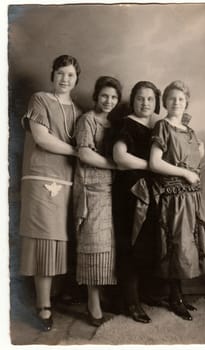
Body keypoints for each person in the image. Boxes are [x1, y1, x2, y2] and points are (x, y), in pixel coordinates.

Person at [19, 54, 82, 331]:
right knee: (44, 240)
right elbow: (42, 138)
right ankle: (43, 307)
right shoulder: (40, 99)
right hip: (41, 177)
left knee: (59, 241)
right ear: (52, 74)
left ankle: (54, 295)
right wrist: (77, 151)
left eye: (70, 75)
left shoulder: (79, 112)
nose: (64, 78)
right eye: (60, 73)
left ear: (76, 79)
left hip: (68, 181)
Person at [148, 80, 205, 321]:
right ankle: (174, 297)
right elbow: (155, 163)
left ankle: (179, 295)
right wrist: (186, 173)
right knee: (177, 245)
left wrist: (201, 151)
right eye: (172, 98)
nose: (177, 102)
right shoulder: (162, 127)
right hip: (173, 197)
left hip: (192, 197)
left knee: (189, 244)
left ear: (187, 102)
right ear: (165, 102)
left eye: (181, 99)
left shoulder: (190, 131)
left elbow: (194, 161)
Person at [73, 76, 122, 326]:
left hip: (111, 189)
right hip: (92, 188)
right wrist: (116, 165)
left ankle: (101, 296)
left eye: (114, 97)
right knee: (94, 243)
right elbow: (84, 152)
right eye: (104, 96)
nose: (109, 101)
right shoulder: (87, 120)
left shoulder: (114, 123)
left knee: (109, 246)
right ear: (96, 96)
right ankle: (92, 303)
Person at [112, 81, 161, 323]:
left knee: (146, 243)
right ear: (133, 100)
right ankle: (129, 301)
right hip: (130, 191)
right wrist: (151, 165)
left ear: (156, 102)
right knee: (130, 244)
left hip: (150, 190)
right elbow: (120, 158)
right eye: (140, 98)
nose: (145, 103)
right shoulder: (126, 124)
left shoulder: (157, 126)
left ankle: (144, 294)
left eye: (150, 99)